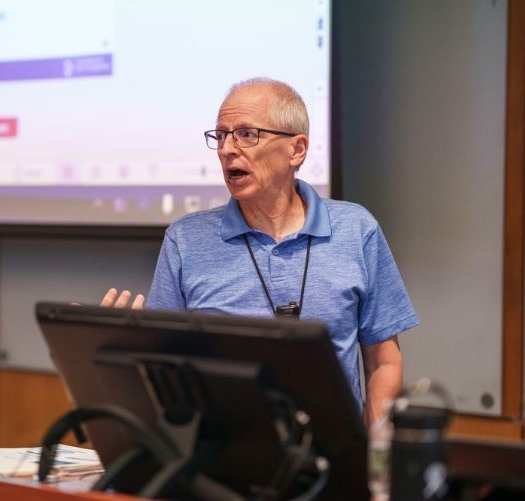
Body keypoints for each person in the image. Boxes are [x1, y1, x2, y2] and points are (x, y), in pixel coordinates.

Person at [101, 78, 418, 427]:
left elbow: (383, 362)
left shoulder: (356, 229)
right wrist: (112, 349)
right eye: (221, 135)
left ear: (296, 150)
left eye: (246, 134)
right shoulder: (186, 240)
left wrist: (375, 451)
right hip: (222, 459)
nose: (227, 149)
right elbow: (162, 365)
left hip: (334, 460)